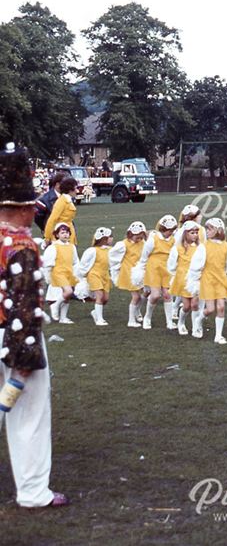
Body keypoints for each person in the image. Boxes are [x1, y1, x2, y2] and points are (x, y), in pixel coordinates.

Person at [0, 142, 69, 507]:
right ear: (24, 209)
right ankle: (32, 492)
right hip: (14, 337)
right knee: (29, 416)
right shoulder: (21, 246)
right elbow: (25, 309)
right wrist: (24, 362)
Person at [186, 218, 227, 344]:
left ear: (218, 230)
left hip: (221, 279)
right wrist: (193, 280)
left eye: (210, 229)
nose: (207, 231)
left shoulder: (226, 246)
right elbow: (196, 265)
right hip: (208, 279)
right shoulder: (204, 247)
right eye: (207, 228)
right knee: (210, 309)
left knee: (221, 307)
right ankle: (198, 320)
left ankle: (218, 335)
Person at [131, 215, 178, 329]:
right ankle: (147, 317)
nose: (170, 233)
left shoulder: (173, 240)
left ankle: (169, 322)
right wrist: (140, 270)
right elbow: (144, 256)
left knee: (167, 295)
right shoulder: (153, 239)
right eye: (168, 230)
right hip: (153, 268)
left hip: (167, 268)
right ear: (162, 229)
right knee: (155, 295)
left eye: (172, 230)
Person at [109, 221, 148, 327]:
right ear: (130, 234)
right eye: (137, 237)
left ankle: (137, 312)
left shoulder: (143, 243)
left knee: (145, 293)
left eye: (141, 237)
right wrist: (116, 270)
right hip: (129, 274)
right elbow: (113, 257)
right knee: (136, 297)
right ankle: (131, 320)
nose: (139, 239)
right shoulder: (123, 244)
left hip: (140, 273)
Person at [74, 227, 114, 326]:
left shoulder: (110, 250)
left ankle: (95, 312)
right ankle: (100, 319)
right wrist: (80, 276)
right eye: (110, 237)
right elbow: (83, 264)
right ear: (104, 238)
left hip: (105, 275)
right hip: (94, 275)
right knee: (99, 295)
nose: (112, 239)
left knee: (105, 299)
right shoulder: (92, 251)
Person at [167, 221, 202, 336]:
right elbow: (171, 265)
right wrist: (176, 276)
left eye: (196, 232)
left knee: (195, 304)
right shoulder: (177, 248)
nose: (195, 235)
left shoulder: (200, 248)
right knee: (186, 306)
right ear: (185, 234)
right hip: (183, 279)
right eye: (192, 233)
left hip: (196, 279)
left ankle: (196, 327)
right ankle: (181, 322)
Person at [41, 223, 78, 324]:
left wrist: (77, 274)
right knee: (68, 291)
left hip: (68, 273)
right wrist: (48, 276)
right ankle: (55, 306)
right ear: (57, 235)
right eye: (62, 233)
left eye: (67, 233)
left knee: (66, 297)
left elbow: (75, 261)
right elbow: (48, 264)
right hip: (57, 273)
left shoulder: (71, 246)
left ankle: (63, 318)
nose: (65, 235)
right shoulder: (53, 247)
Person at [42, 176, 78, 245]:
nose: (77, 191)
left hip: (68, 234)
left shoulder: (68, 200)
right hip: (61, 235)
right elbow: (52, 220)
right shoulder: (62, 201)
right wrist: (47, 237)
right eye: (75, 188)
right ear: (70, 190)